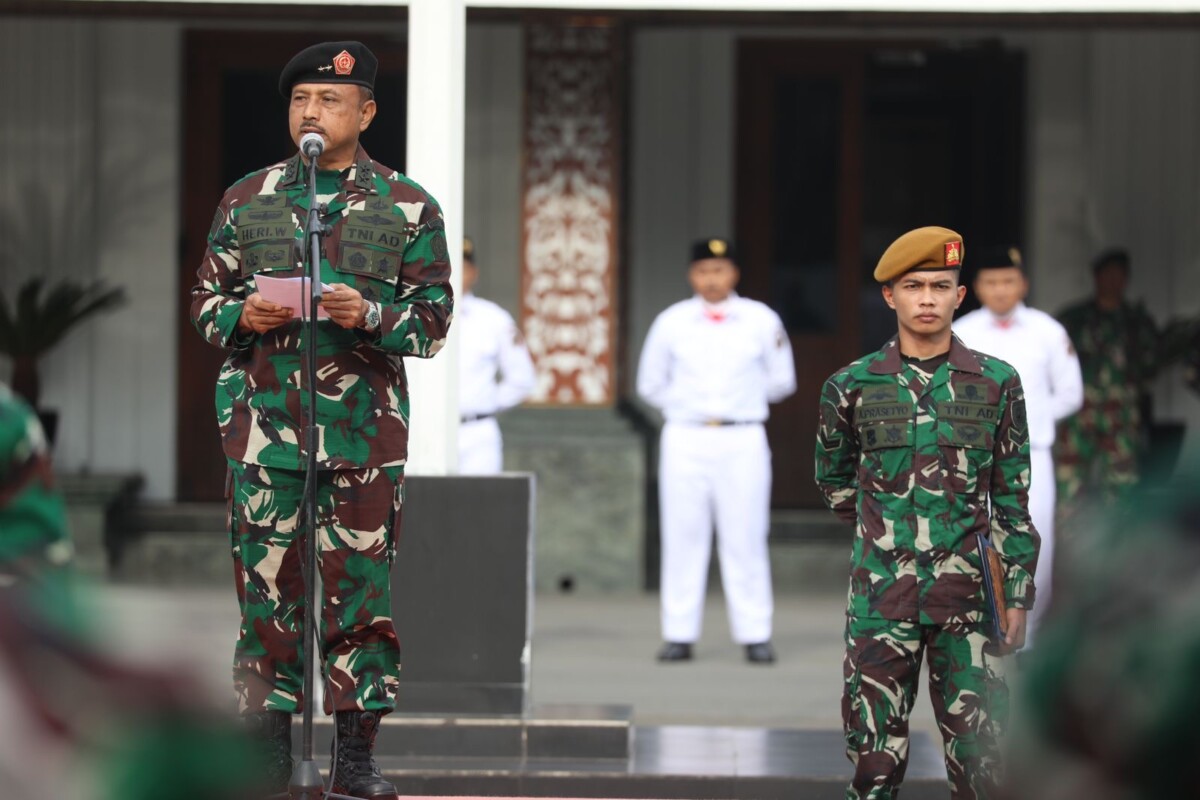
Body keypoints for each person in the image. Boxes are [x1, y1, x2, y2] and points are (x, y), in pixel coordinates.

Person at [189, 41, 453, 800]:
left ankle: (356, 761)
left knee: (361, 601)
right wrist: (246, 312)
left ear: (365, 112)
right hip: (265, 437)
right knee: (267, 601)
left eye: (330, 101)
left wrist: (369, 312)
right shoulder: (248, 198)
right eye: (301, 100)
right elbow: (206, 310)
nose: (312, 112)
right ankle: (268, 759)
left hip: (363, 441)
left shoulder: (407, 205)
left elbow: (432, 322)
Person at [815, 227, 1039, 799]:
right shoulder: (851, 385)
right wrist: (884, 533)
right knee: (873, 768)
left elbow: (1012, 499)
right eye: (912, 286)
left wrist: (1016, 594)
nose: (927, 298)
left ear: (960, 296)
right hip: (880, 601)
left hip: (965, 603)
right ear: (889, 296)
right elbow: (836, 482)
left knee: (981, 763)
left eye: (941, 285)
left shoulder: (996, 383)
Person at [637, 238, 796, 664]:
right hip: (686, 435)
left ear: (734, 273)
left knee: (745, 534)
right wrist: (688, 406)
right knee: (682, 534)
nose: (712, 279)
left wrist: (739, 402)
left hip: (741, 434)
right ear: (692, 275)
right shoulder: (672, 321)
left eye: (720, 270)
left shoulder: (760, 320)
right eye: (704, 271)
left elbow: (783, 379)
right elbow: (649, 383)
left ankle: (755, 632)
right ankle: (678, 632)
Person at [954, 246, 1082, 646]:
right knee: (976, 539)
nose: (1000, 290)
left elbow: (1071, 393)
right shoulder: (964, 330)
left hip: (1032, 455)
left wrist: (1028, 425)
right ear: (976, 287)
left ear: (1023, 283)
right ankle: (982, 629)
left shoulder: (1048, 330)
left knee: (1034, 537)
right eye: (991, 282)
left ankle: (1032, 637)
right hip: (975, 457)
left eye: (1008, 281)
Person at [1054, 248, 1159, 522]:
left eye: (1119, 275)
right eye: (1107, 274)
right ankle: (1069, 548)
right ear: (1096, 277)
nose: (1112, 280)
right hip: (1079, 413)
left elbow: (1152, 365)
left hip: (1121, 415)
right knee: (1070, 482)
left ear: (1126, 279)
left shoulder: (1137, 322)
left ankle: (1118, 551)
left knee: (1123, 484)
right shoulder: (1073, 319)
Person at [456, 236, 535, 474]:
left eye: (462, 268)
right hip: (424, 431)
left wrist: (486, 402)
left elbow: (522, 380)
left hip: (476, 431)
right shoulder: (414, 313)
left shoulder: (493, 319)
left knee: (480, 507)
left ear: (473, 273)